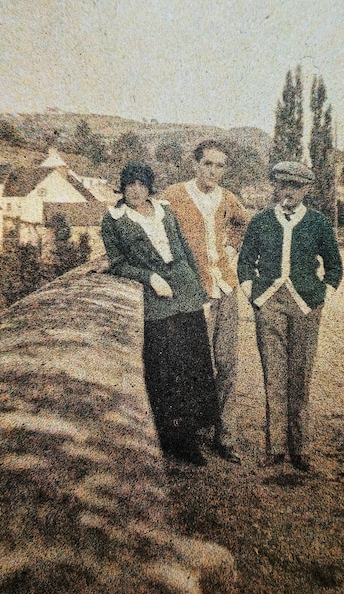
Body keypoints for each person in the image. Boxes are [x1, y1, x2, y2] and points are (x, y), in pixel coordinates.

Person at [101, 161, 218, 466]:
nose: (135, 191)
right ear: (122, 187)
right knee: (164, 370)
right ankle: (169, 437)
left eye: (141, 184)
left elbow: (185, 251)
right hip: (157, 301)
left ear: (149, 187)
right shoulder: (113, 220)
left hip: (187, 293)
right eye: (129, 185)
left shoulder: (165, 209)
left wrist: (201, 295)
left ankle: (191, 436)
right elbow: (116, 263)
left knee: (194, 365)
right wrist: (149, 277)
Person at [237, 161, 343, 470]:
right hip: (269, 302)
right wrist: (252, 294)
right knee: (274, 375)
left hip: (305, 305)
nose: (289, 192)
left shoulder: (319, 223)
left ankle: (300, 448)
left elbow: (335, 266)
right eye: (283, 185)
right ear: (276, 187)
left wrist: (323, 295)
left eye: (296, 186)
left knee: (301, 374)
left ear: (307, 189)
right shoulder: (260, 221)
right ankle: (276, 447)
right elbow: (245, 262)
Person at [163, 140, 249, 464]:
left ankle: (224, 435)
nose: (213, 171)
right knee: (193, 365)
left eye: (220, 166)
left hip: (225, 288)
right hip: (193, 292)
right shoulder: (174, 195)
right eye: (208, 164)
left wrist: (231, 250)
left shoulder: (228, 199)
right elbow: (154, 228)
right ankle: (193, 432)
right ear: (196, 164)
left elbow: (243, 222)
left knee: (227, 363)